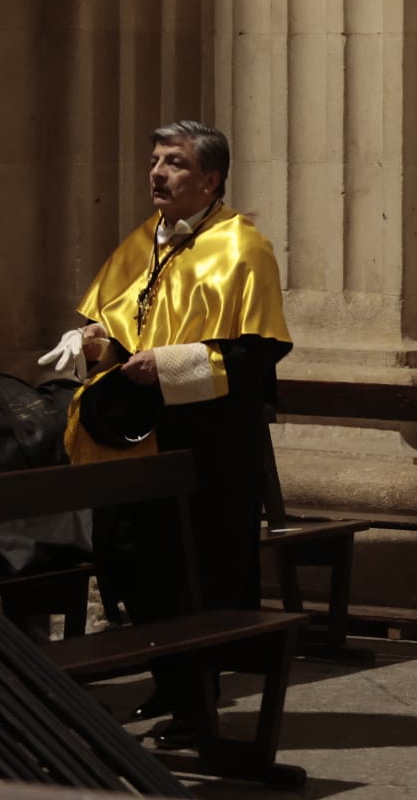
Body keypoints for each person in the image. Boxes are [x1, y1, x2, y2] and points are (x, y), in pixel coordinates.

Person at [39, 120, 291, 748]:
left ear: (210, 178)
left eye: (173, 163)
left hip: (205, 445)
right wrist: (91, 345)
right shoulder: (141, 242)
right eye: (154, 160)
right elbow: (122, 331)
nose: (156, 173)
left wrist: (169, 366)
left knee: (193, 571)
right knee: (130, 561)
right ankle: (169, 680)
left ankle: (194, 702)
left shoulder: (243, 248)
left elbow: (257, 356)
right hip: (138, 440)